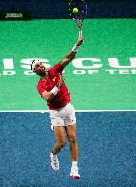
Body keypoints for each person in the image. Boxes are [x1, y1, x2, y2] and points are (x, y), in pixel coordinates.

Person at [31, 33, 84, 179]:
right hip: (55, 113)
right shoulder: (40, 85)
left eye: (40, 63)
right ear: (35, 71)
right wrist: (58, 85)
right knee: (61, 143)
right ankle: (53, 155)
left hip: (68, 108)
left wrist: (77, 44)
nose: (40, 65)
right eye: (37, 65)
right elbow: (47, 96)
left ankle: (74, 168)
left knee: (73, 139)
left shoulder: (55, 70)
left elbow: (69, 58)